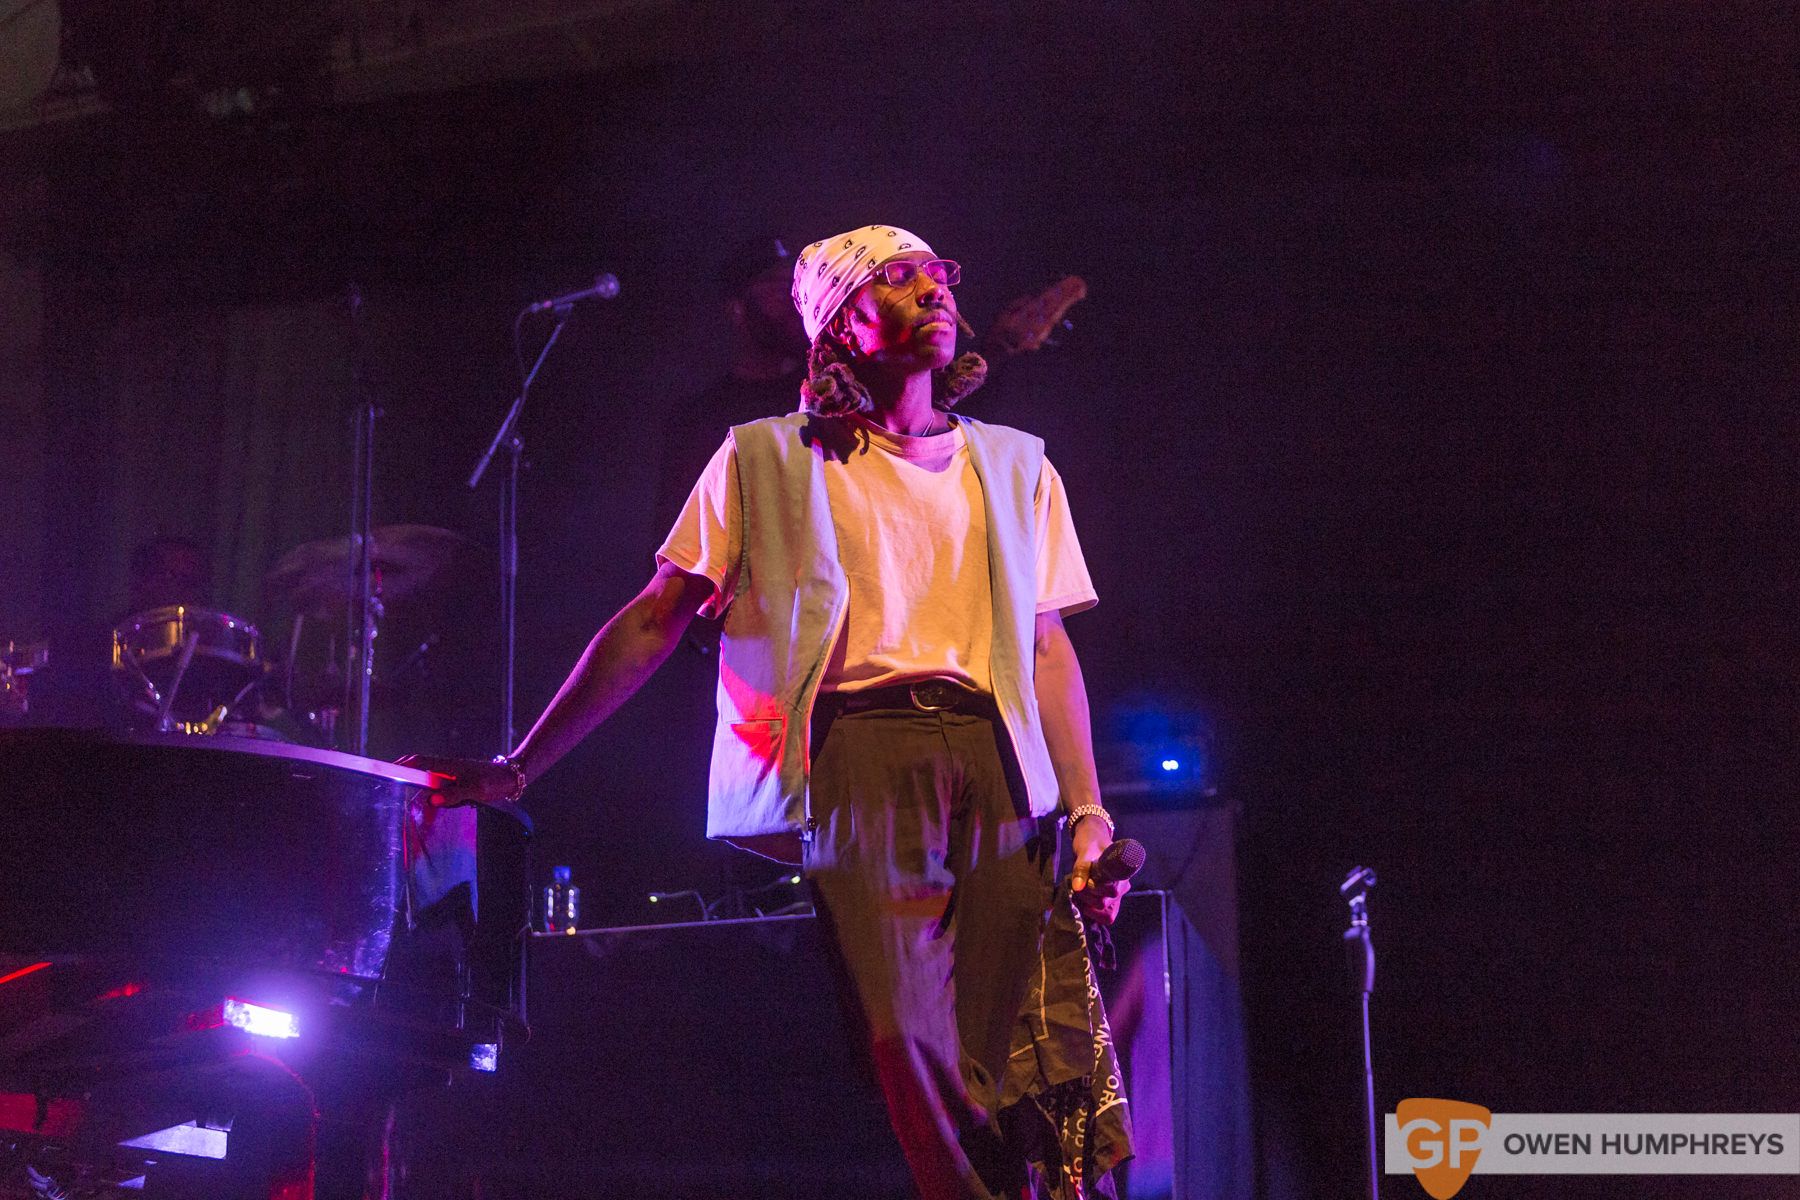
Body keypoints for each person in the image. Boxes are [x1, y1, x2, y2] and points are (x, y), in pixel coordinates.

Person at [413, 224, 1127, 1199]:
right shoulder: (766, 464)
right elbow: (654, 620)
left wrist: (1085, 806)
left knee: (1040, 1055)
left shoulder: (1013, 465)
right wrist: (524, 764)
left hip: (1001, 760)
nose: (931, 290)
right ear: (840, 328)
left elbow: (1046, 644)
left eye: (936, 274)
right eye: (897, 280)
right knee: (909, 1033)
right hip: (862, 751)